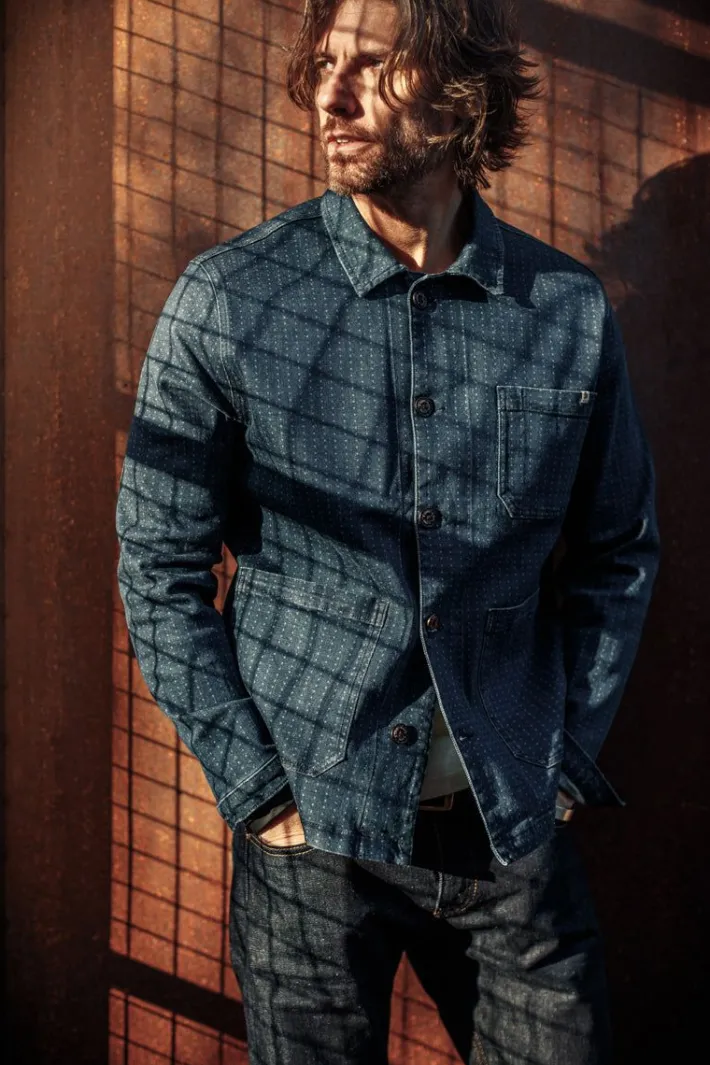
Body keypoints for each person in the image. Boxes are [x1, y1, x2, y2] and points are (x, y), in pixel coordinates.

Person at [116, 0, 660, 1061]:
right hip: (314, 837)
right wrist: (258, 791)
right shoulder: (229, 300)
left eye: (374, 65)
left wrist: (562, 761)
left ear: (459, 90)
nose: (331, 94)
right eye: (324, 64)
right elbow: (158, 562)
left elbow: (616, 552)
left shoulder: (563, 312)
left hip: (507, 821)